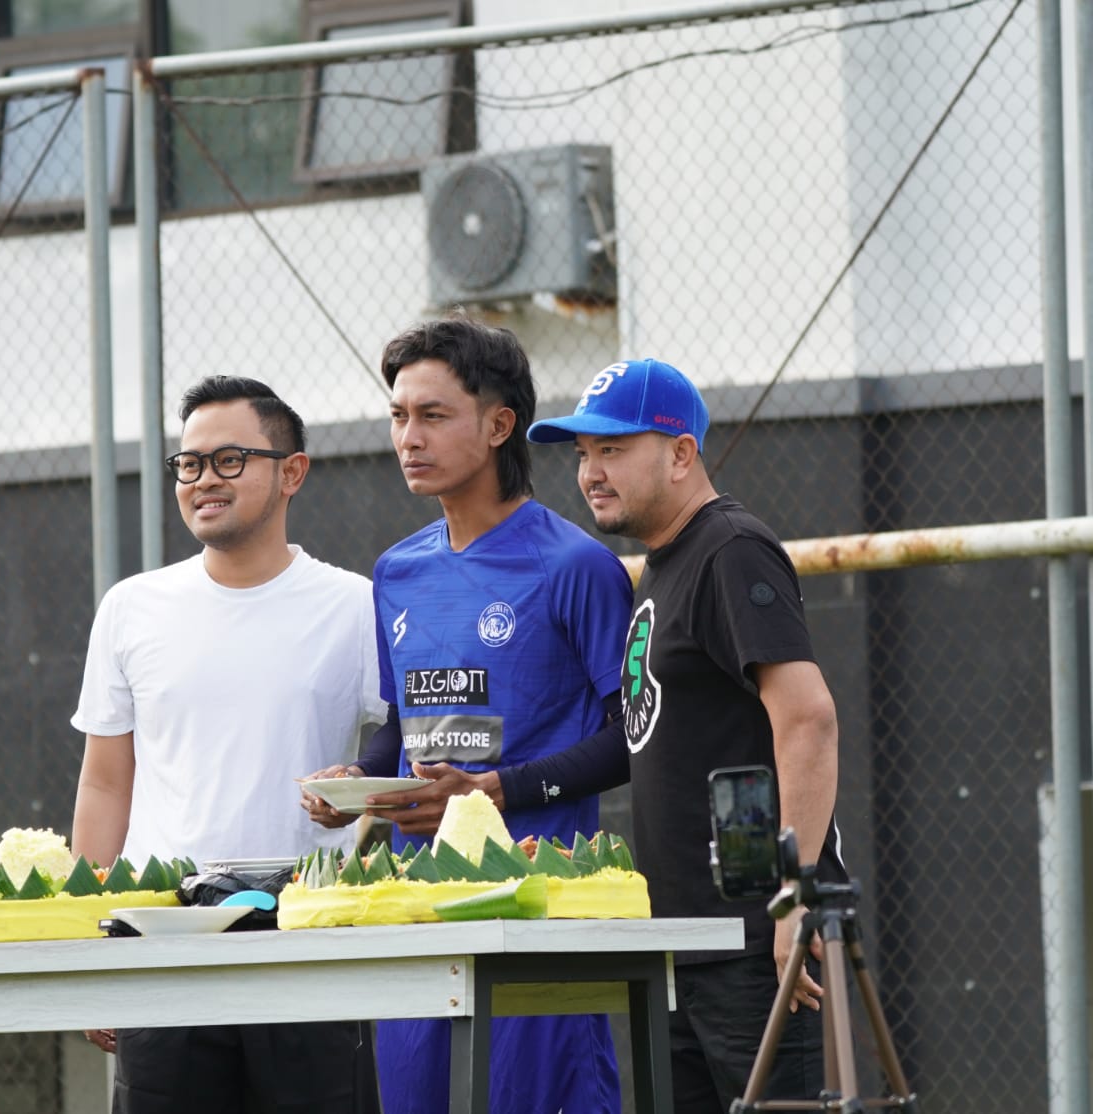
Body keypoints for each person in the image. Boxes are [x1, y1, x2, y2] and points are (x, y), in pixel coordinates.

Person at [304, 317, 635, 1114]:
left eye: (433, 415)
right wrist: (359, 780)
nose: (408, 437)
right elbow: (404, 727)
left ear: (497, 425)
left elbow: (630, 741)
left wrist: (495, 789)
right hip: (418, 917)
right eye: (398, 416)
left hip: (535, 911)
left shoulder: (577, 567)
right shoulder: (397, 570)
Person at [524, 356, 845, 1113]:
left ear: (679, 453)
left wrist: (791, 899)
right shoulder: (664, 566)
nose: (591, 472)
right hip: (681, 946)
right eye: (582, 455)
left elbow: (809, 717)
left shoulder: (728, 549)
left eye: (612, 449)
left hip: (754, 944)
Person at [70, 375, 387, 1114]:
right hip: (161, 941)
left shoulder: (357, 605)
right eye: (189, 464)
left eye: (230, 460)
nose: (203, 480)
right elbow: (104, 786)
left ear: (292, 472)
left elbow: (401, 753)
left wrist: (361, 798)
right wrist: (88, 951)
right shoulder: (131, 609)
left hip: (308, 942)